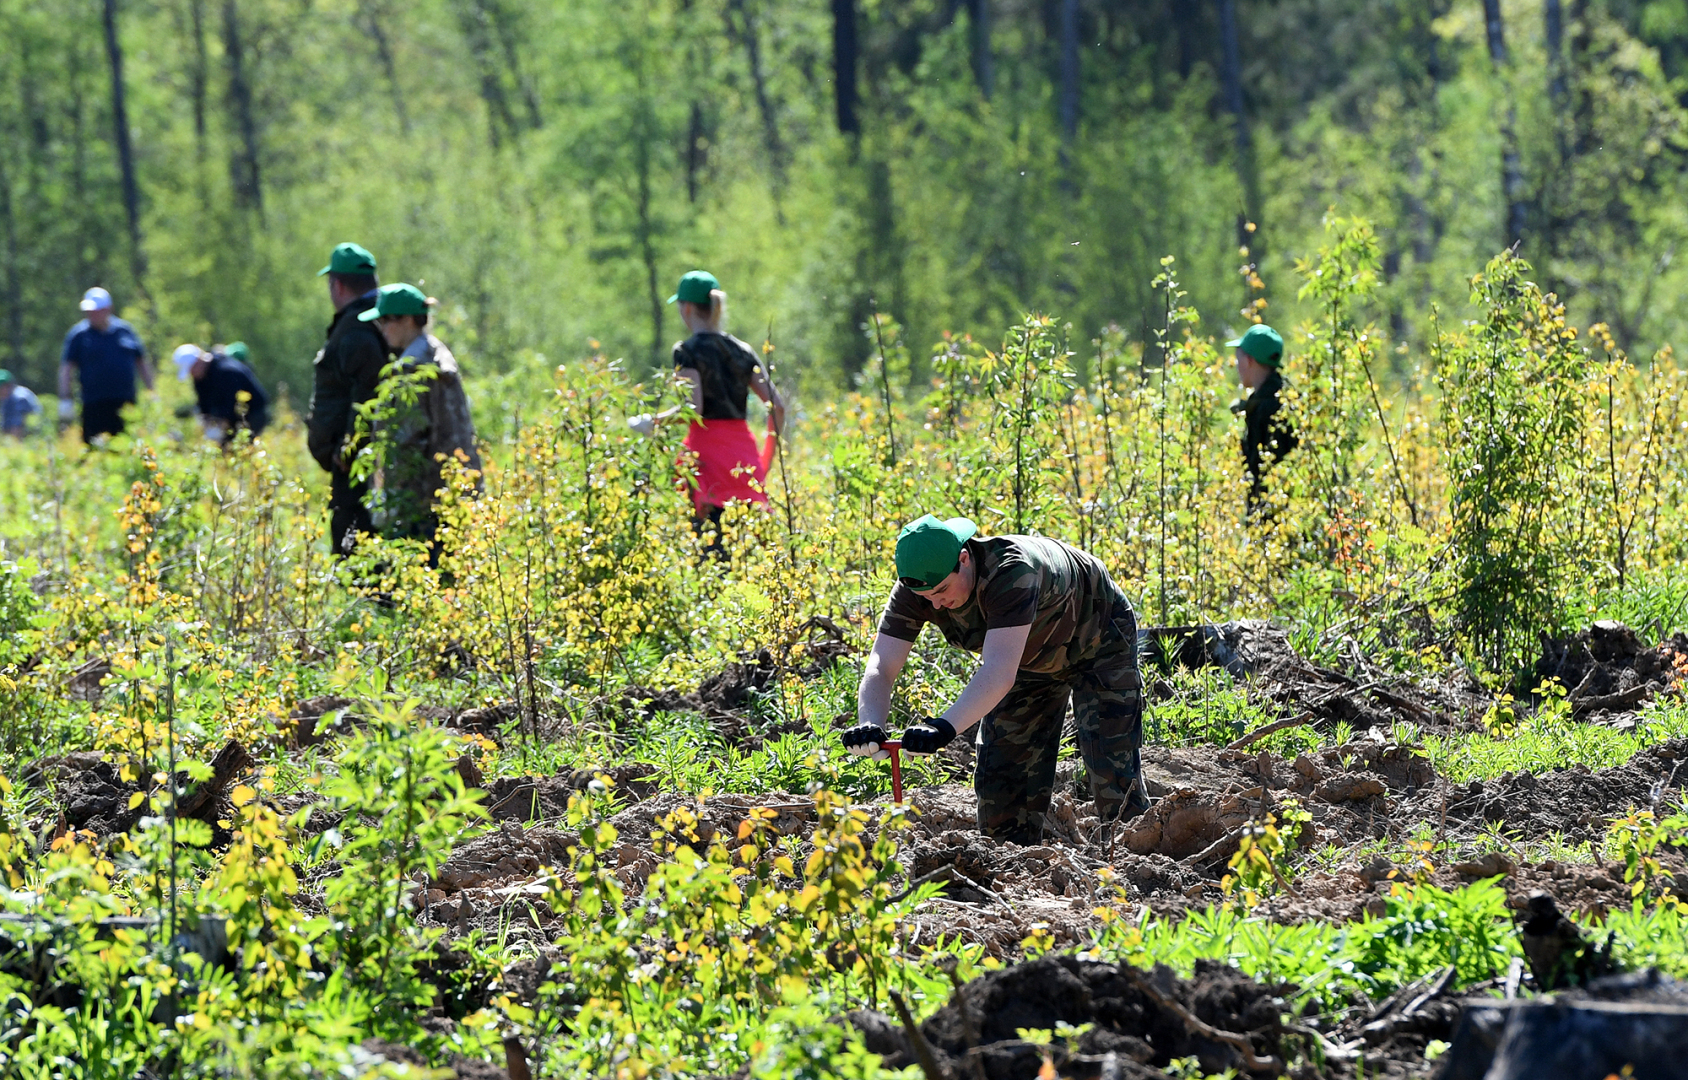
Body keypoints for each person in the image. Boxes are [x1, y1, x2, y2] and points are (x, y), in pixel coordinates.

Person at [843, 515, 1150, 845]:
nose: (935, 604)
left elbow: (998, 671)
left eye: (942, 590)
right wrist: (870, 723)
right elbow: (882, 665)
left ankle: (1138, 865)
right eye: (926, 596)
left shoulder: (1012, 572)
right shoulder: (917, 588)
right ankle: (1013, 868)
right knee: (1004, 780)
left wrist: (942, 727)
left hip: (1098, 639)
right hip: (1025, 659)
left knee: (1111, 766)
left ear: (964, 559)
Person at [629, 270, 784, 550]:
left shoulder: (686, 351)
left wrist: (653, 422)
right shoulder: (743, 351)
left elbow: (694, 408)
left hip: (707, 462)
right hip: (744, 460)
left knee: (710, 553)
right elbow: (778, 407)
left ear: (686, 308)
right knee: (749, 554)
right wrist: (765, 463)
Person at [358, 283, 482, 559]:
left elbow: (406, 443)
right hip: (453, 495)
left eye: (384, 320)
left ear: (408, 320)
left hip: (422, 504)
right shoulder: (437, 355)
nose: (381, 328)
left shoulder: (412, 370)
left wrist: (387, 500)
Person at [305, 243, 387, 556]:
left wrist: (349, 447)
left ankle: (367, 605)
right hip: (361, 460)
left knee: (355, 547)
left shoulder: (357, 329)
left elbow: (368, 392)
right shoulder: (376, 321)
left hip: (356, 465)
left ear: (337, 285)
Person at [58, 287, 155, 442]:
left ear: (108, 309)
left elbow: (142, 362)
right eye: (89, 311)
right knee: (95, 446)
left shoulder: (125, 331)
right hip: (93, 404)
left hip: (125, 403)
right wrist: (65, 398)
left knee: (127, 444)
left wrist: (152, 391)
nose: (91, 314)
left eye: (96, 311)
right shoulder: (79, 335)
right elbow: (66, 369)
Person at [1226, 323, 1297, 508]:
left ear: (1249, 360)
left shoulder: (1264, 408)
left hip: (1271, 513)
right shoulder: (1288, 398)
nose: (1236, 365)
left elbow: (1259, 471)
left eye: (1238, 358)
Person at [171, 343, 270, 442]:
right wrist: (207, 426)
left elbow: (230, 406)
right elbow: (204, 406)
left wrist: (218, 430)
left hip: (253, 414)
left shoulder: (227, 371)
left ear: (198, 362)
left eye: (191, 370)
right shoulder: (201, 379)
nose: (191, 374)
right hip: (232, 419)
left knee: (242, 447)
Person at [0, 371, 41, 438]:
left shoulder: (18, 398)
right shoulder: (8, 397)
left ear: (7, 386)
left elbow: (16, 428)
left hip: (33, 436)